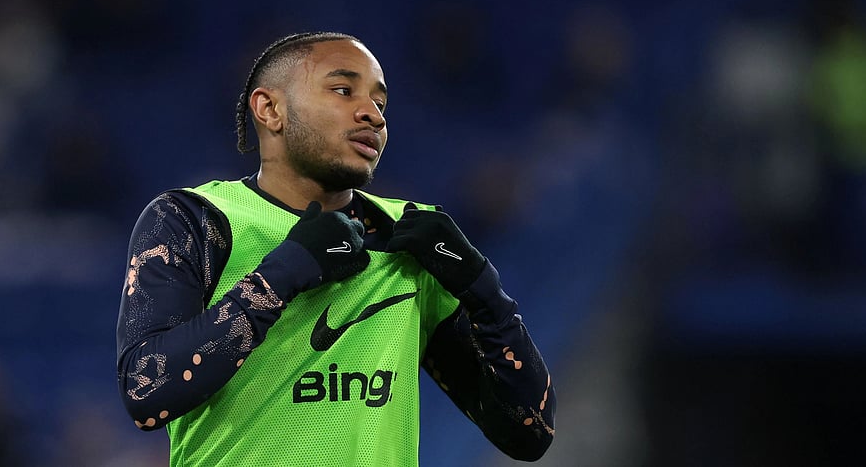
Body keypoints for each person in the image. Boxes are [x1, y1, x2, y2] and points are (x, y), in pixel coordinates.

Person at [116, 31, 556, 466]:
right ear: (270, 109)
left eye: (380, 104)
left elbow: (529, 434)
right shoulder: (196, 220)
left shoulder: (408, 239)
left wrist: (486, 293)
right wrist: (281, 276)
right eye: (344, 90)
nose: (373, 116)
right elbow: (146, 391)